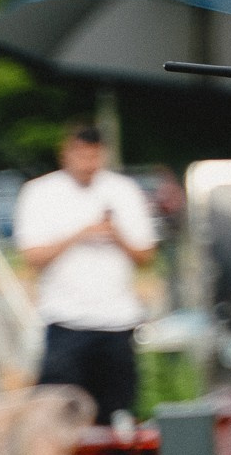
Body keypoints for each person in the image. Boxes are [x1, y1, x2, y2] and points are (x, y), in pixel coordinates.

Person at [14, 122, 156, 424]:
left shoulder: (123, 190)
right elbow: (32, 256)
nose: (87, 165)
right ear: (65, 154)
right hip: (66, 320)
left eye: (93, 156)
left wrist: (115, 235)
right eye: (81, 156)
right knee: (56, 415)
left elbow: (146, 255)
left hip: (117, 321)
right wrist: (79, 235)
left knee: (116, 413)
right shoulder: (40, 192)